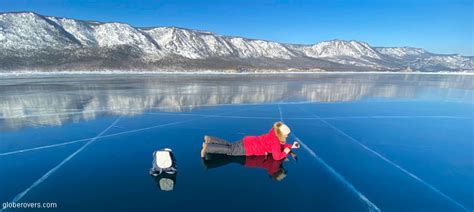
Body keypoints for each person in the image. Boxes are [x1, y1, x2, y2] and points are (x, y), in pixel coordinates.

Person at [200, 121, 300, 160]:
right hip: (249, 148)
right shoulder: (275, 142)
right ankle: (208, 147)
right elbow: (277, 157)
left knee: (230, 145)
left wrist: (291, 146)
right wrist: (286, 152)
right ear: (281, 134)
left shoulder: (273, 133)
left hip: (248, 140)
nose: (287, 137)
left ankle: (210, 139)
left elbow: (279, 145)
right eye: (286, 135)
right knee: (230, 151)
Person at [202, 154, 289, 181]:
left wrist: (286, 154)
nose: (283, 169)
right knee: (229, 158)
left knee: (230, 157)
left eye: (283, 171)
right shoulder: (273, 168)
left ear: (279, 172)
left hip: (249, 159)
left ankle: (210, 163)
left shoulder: (274, 167)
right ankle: (210, 161)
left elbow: (277, 158)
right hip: (249, 161)